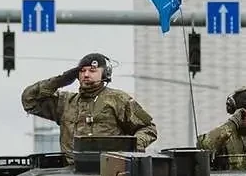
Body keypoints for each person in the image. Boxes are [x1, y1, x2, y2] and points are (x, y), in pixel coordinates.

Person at [21, 52, 158, 161]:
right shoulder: (66, 102)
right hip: (71, 170)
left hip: (109, 170)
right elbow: (29, 99)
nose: (86, 75)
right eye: (82, 71)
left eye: (92, 71)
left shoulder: (117, 99)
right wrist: (61, 80)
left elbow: (148, 128)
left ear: (105, 73)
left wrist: (132, 148)